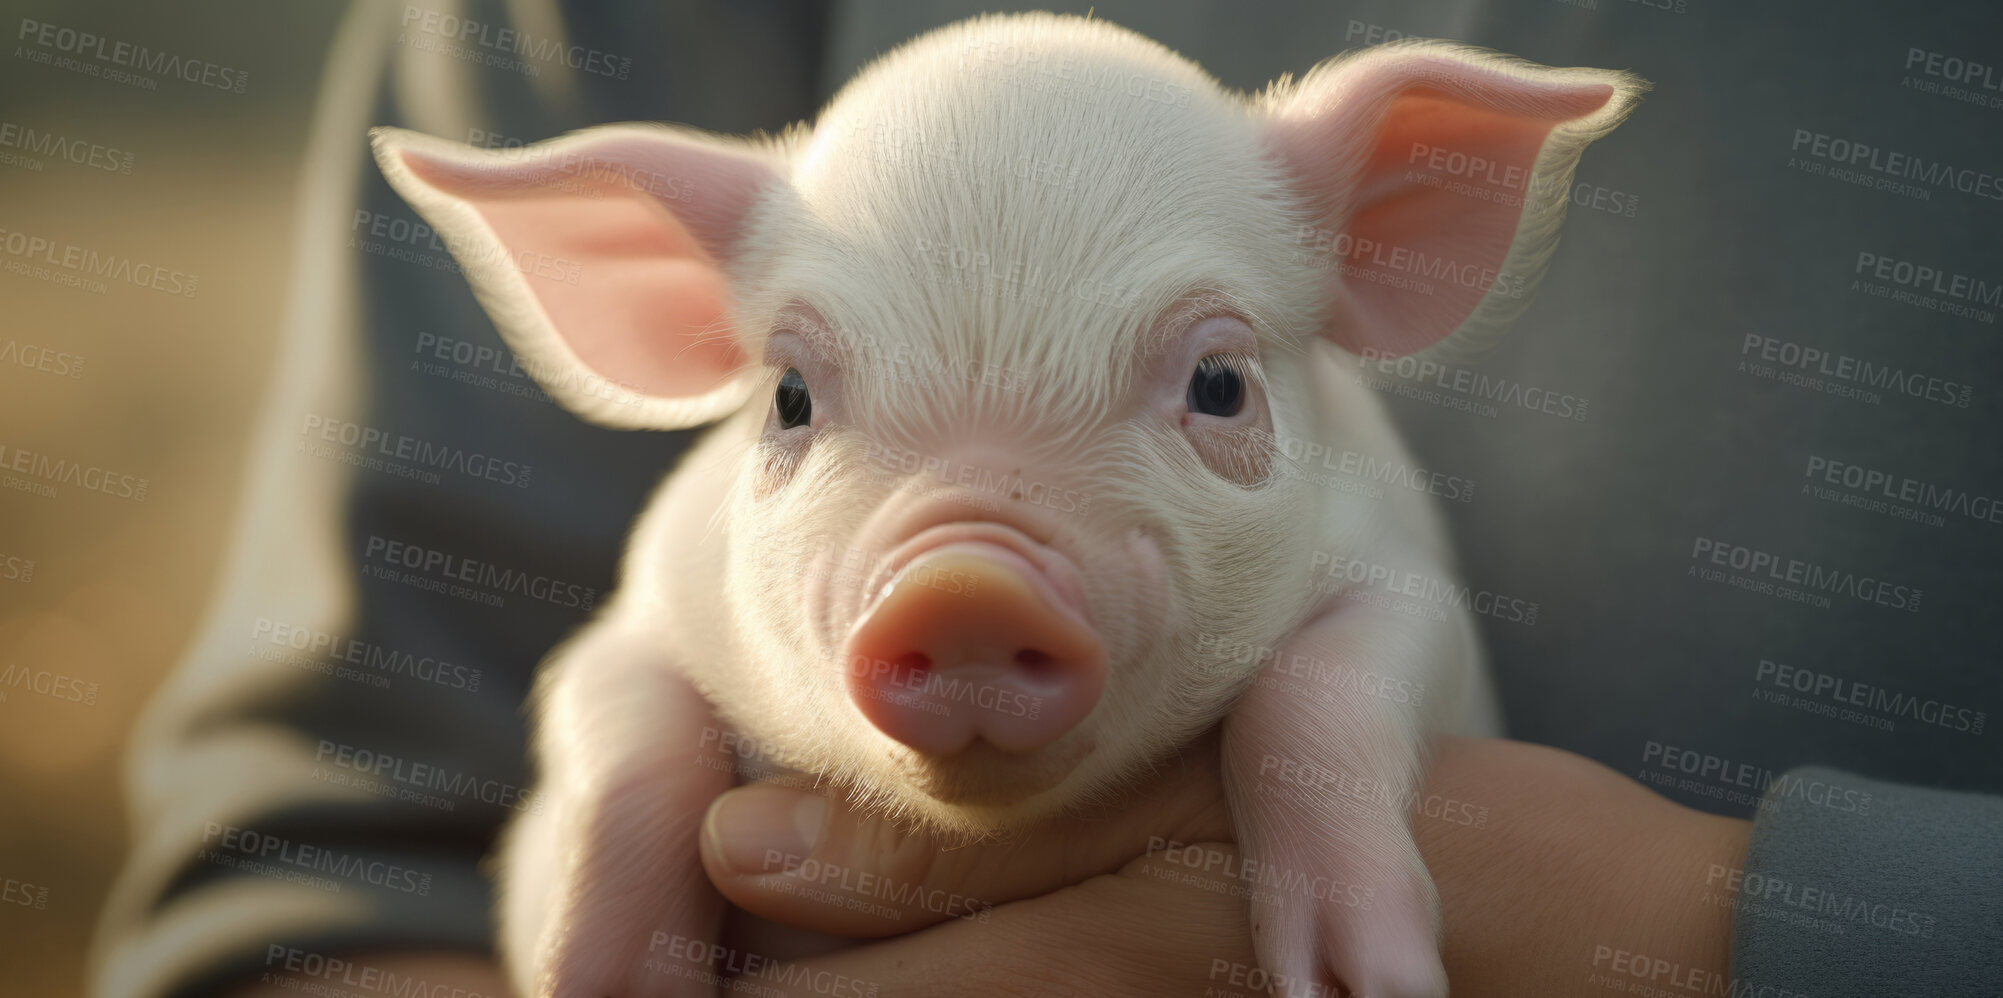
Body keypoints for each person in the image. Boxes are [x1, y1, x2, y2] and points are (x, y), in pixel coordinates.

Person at [91, 2, 2003, 997]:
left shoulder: (1335, 500)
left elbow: (1375, 609)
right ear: (663, 294)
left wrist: (1709, 926)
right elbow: (346, 849)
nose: (971, 555)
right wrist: (624, 791)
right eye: (801, 400)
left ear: (1403, 220)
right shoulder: (713, 535)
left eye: (1209, 389)